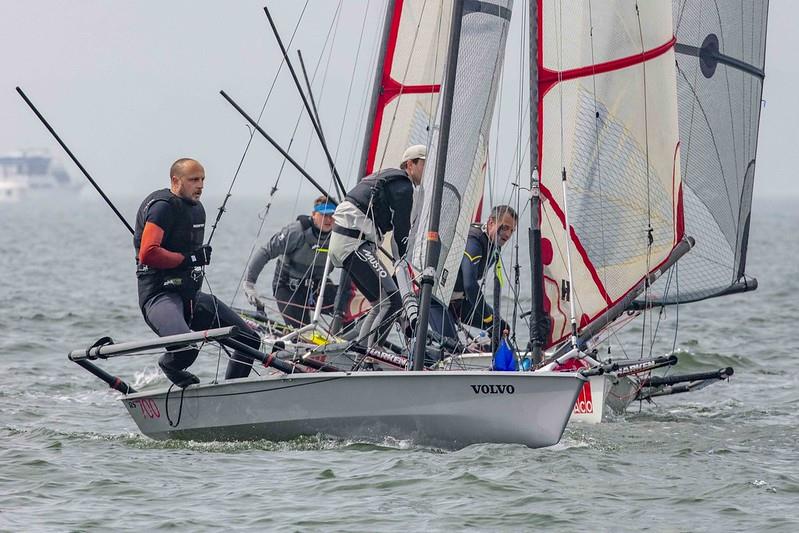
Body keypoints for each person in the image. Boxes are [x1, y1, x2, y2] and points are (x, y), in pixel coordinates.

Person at [133, 158, 261, 387]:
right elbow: (148, 253)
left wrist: (197, 254)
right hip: (159, 296)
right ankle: (170, 366)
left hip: (191, 297)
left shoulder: (196, 209)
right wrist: (189, 258)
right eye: (193, 180)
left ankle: (229, 394)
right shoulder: (162, 207)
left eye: (202, 179)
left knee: (249, 339)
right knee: (186, 347)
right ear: (175, 180)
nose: (200, 185)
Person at [328, 144, 426, 348]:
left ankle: (363, 350)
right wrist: (404, 258)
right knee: (393, 301)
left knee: (380, 302)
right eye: (424, 165)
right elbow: (401, 229)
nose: (428, 172)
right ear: (410, 164)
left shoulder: (395, 181)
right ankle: (371, 352)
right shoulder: (404, 186)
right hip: (353, 242)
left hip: (350, 242)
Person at [242, 195, 337, 327]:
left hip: (317, 287)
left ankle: (346, 341)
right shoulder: (296, 231)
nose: (328, 219)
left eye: (332, 215)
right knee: (302, 334)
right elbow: (266, 251)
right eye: (324, 215)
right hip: (288, 287)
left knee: (350, 304)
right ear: (314, 214)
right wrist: (249, 283)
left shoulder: (339, 236)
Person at [449, 204, 517, 337]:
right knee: (451, 347)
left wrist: (492, 322)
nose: (508, 234)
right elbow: (470, 285)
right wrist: (487, 319)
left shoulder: (495, 244)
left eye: (512, 230)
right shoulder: (474, 241)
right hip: (438, 301)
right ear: (491, 222)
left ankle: (490, 354)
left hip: (458, 303)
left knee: (503, 329)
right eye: (505, 227)